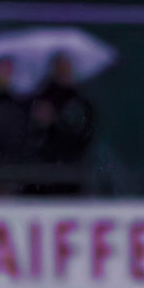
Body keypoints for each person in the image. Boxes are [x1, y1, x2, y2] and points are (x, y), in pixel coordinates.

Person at [30, 51, 96, 191]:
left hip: (73, 174)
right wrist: (40, 123)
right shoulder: (42, 96)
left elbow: (84, 134)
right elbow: (32, 135)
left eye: (66, 65)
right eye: (60, 65)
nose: (64, 69)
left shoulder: (81, 99)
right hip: (43, 175)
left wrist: (56, 120)